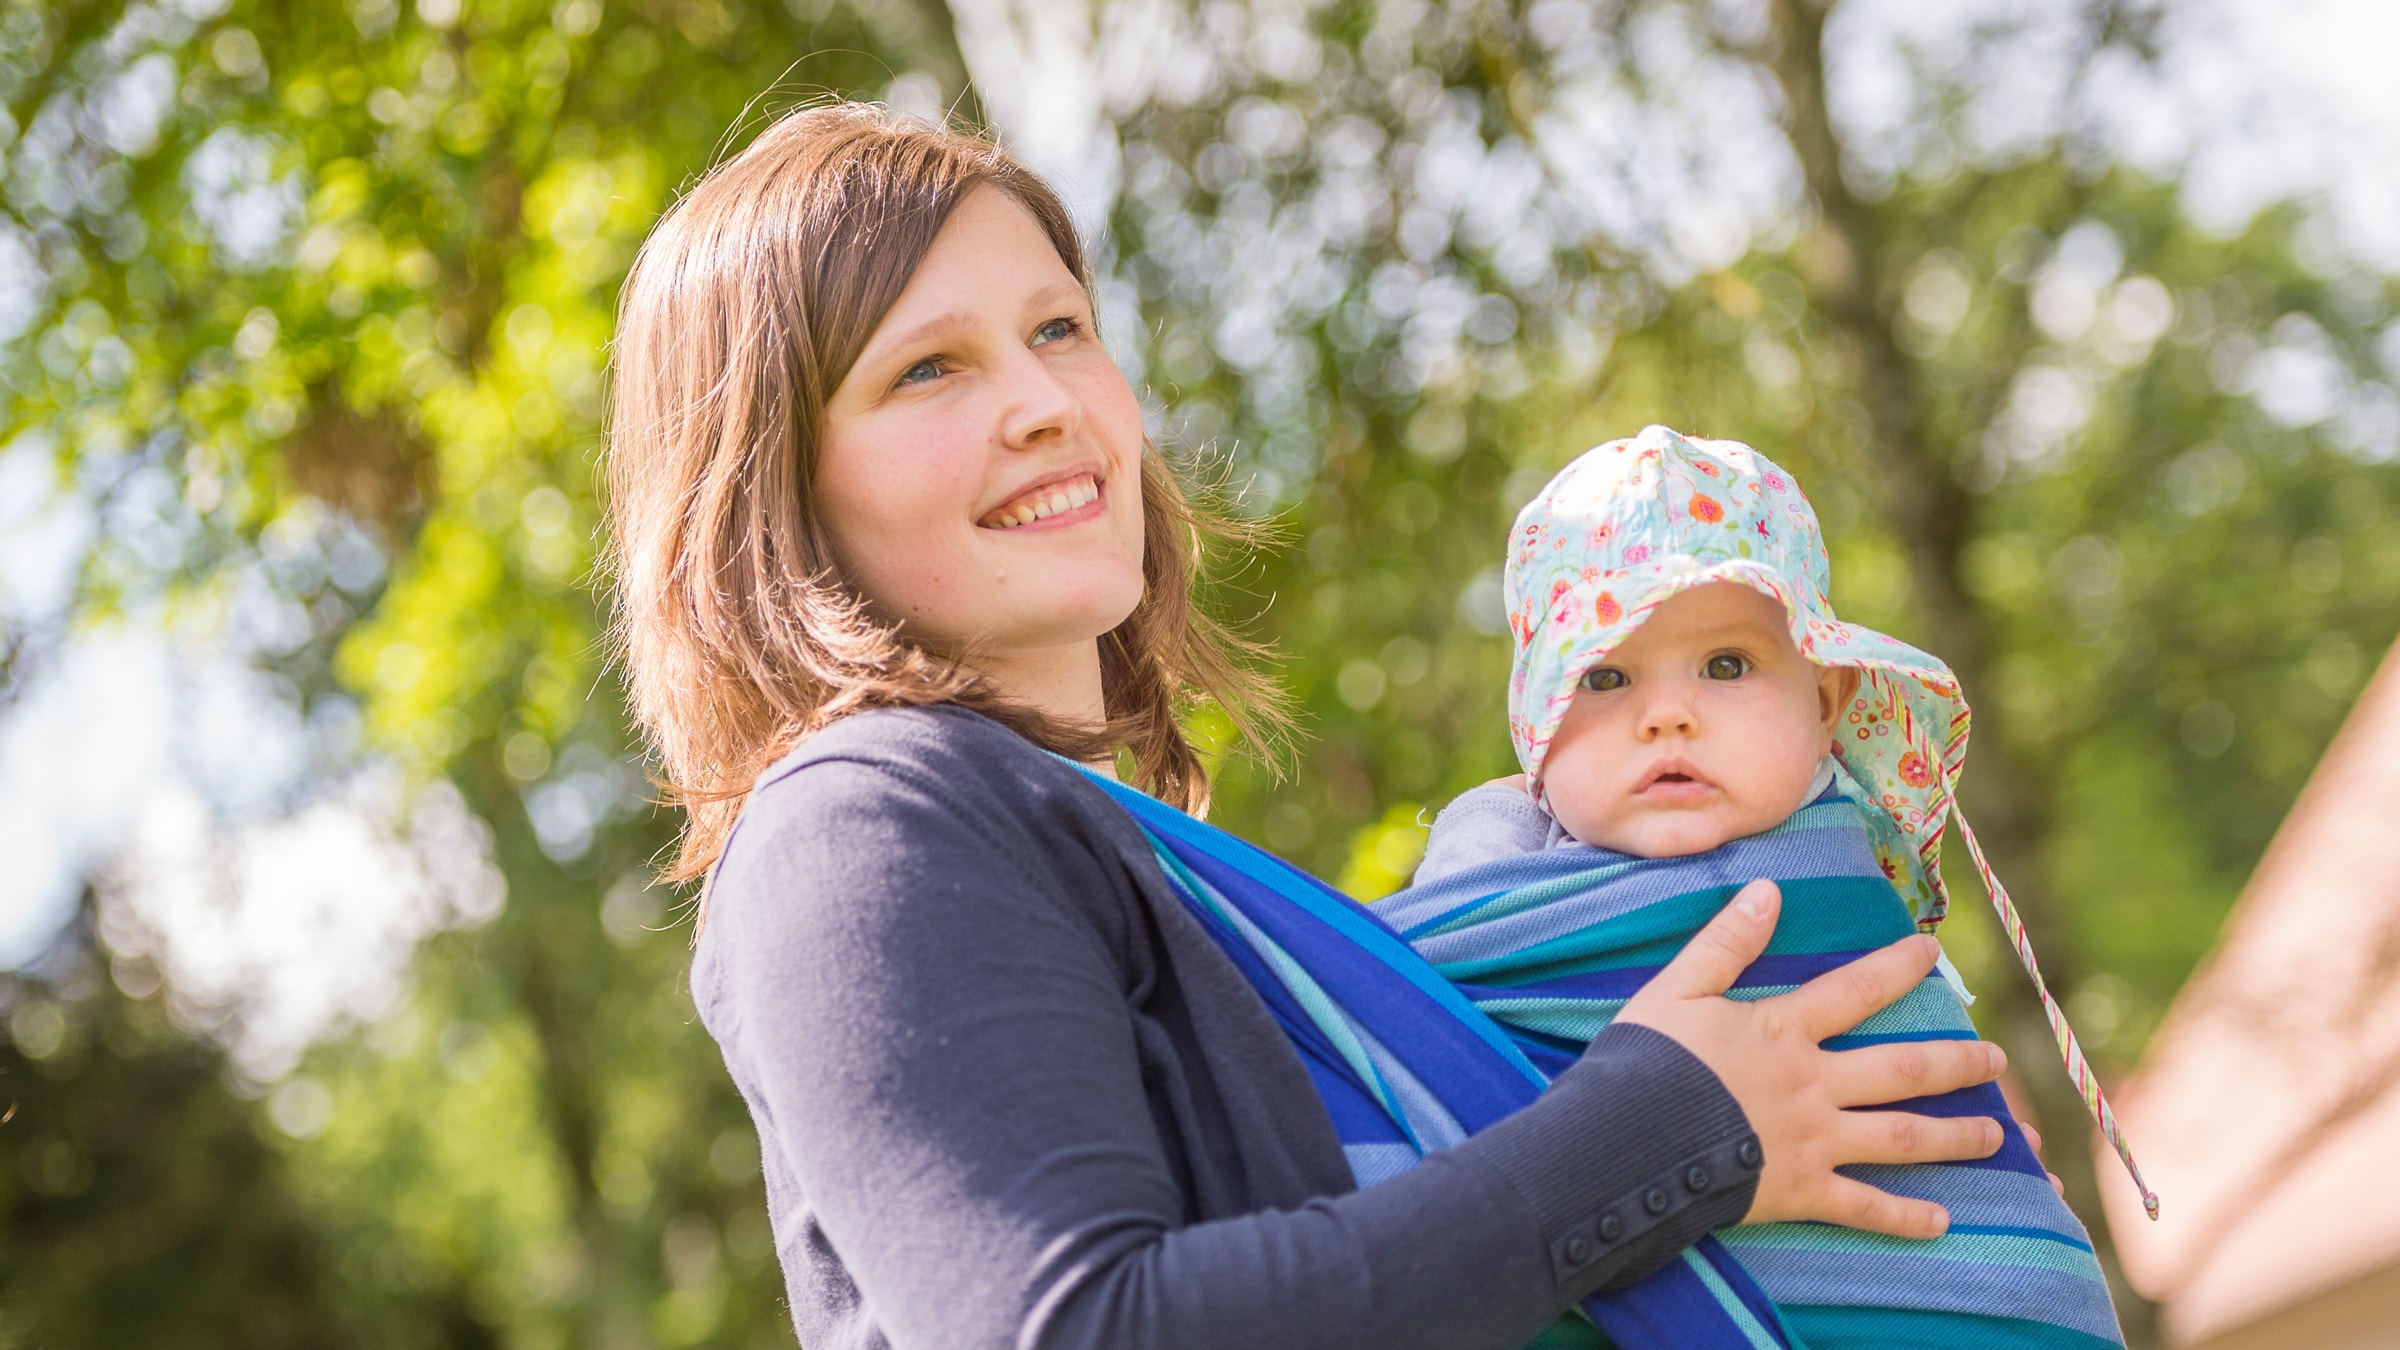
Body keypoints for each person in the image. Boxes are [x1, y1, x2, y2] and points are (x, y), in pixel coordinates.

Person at [604, 102, 2019, 1350]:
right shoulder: (861, 824)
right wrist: (1666, 1127)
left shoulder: (1096, 846)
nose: (1044, 404)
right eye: (928, 368)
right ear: (771, 487)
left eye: (1058, 330)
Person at [1405, 426, 2139, 1346]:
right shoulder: (1503, 872)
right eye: (1602, 675)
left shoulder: (1843, 861)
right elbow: (1404, 1010)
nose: (1666, 714)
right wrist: (1496, 813)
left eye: (1726, 665)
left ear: (1825, 703)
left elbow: (1928, 1101)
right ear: (1536, 735)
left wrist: (1985, 1199)